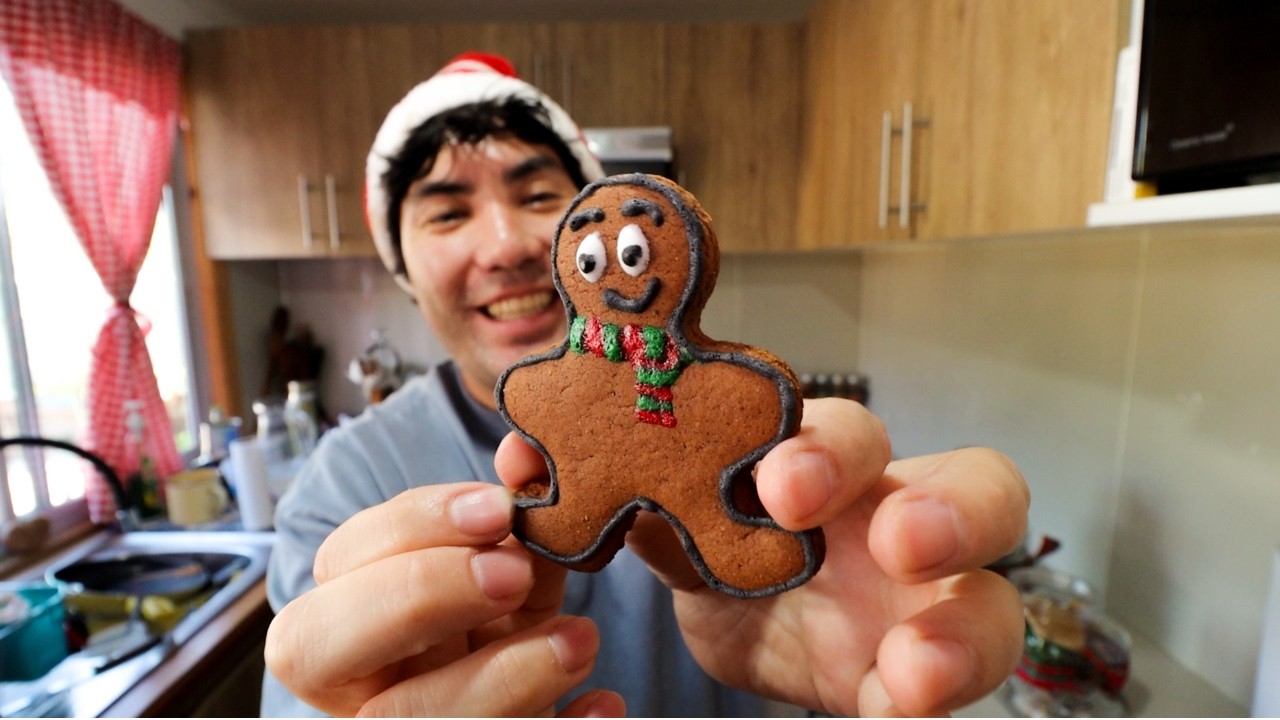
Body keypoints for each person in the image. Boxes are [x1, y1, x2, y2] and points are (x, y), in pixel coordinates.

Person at [261, 51, 1030, 718]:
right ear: (400, 265)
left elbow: (748, 402)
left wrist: (846, 670)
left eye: (536, 196)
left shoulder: (770, 468)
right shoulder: (341, 489)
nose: (504, 245)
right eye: (446, 213)